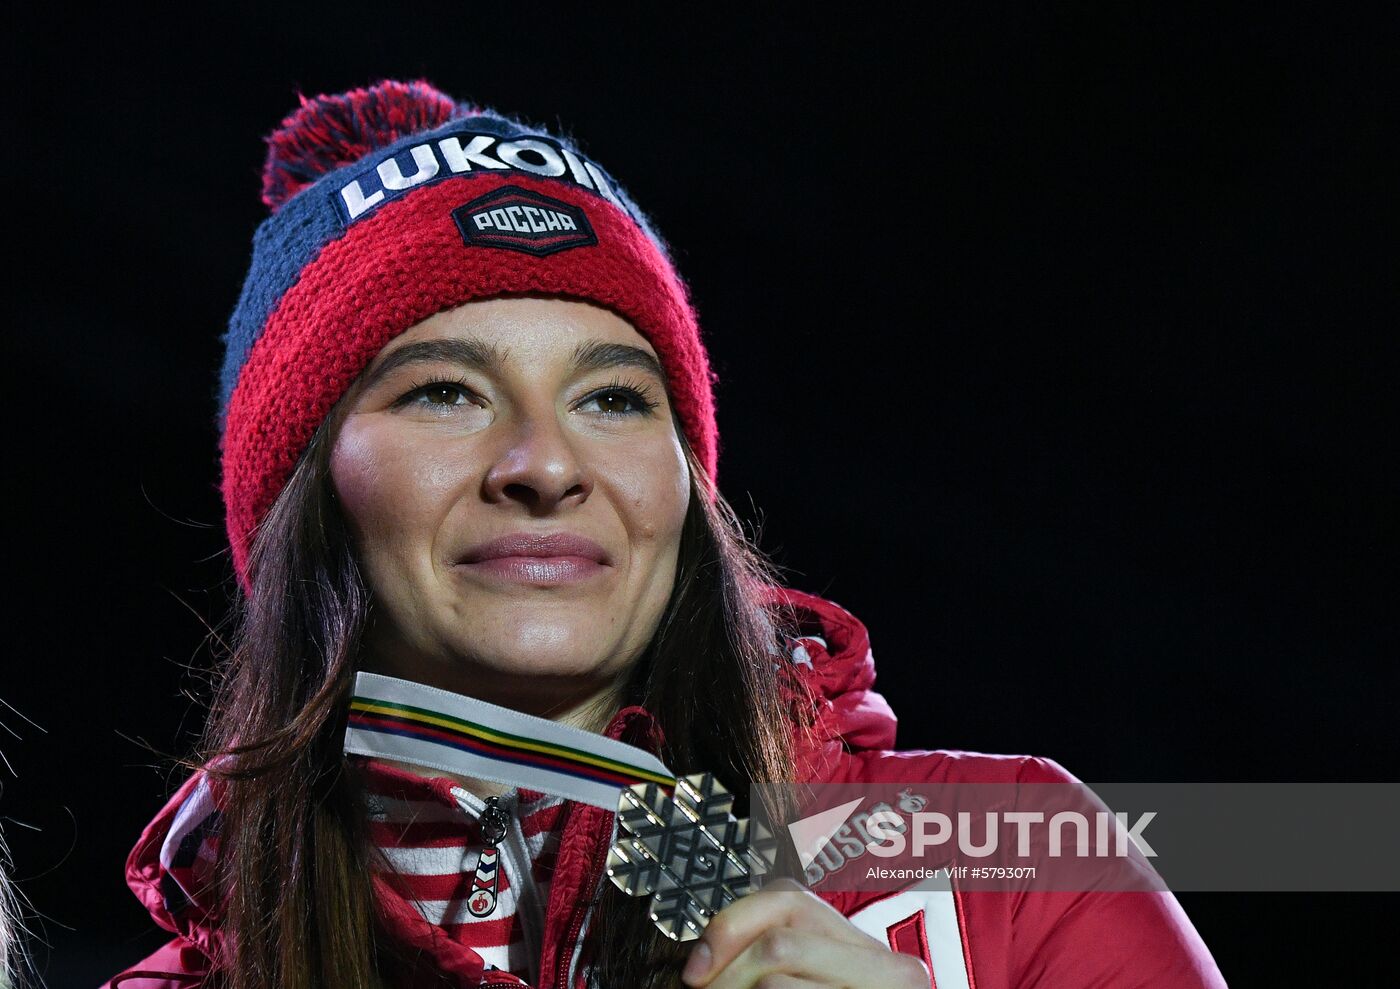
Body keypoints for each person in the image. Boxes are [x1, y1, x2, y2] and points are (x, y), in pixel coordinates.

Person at [104, 79, 1227, 988]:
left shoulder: (1009, 865)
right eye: (444, 392)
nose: (545, 463)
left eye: (614, 399)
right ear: (301, 500)